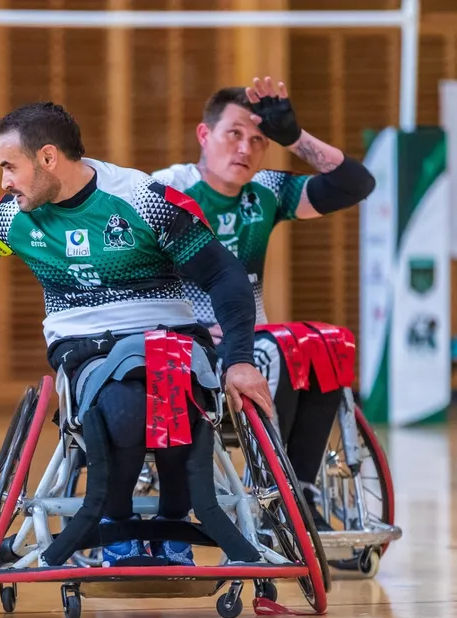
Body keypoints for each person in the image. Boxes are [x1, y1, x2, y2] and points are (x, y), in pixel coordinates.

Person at [0, 101, 272, 567]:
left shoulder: (142, 199)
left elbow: (226, 277)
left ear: (48, 158)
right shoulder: (16, 216)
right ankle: (116, 525)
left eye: (10, 167)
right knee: (123, 410)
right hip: (86, 347)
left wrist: (238, 360)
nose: (4, 181)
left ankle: (173, 524)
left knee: (174, 389)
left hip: (169, 338)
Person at [151, 77, 375, 529]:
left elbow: (356, 183)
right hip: (182, 346)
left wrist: (294, 137)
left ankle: (299, 492)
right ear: (204, 135)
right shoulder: (166, 190)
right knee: (273, 349)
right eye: (234, 133)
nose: (245, 148)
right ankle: (273, 492)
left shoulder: (265, 191)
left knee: (325, 343)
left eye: (258, 139)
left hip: (252, 342)